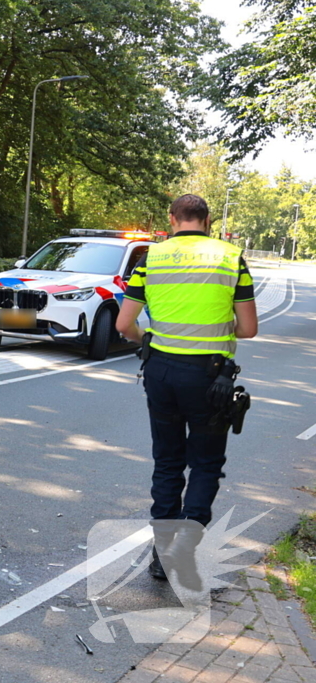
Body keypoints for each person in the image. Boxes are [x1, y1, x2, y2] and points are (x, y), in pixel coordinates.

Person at [115, 194, 258, 591]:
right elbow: (247, 329)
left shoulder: (151, 259)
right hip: (209, 378)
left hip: (159, 371)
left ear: (172, 219)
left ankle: (161, 555)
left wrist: (152, 340)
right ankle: (187, 545)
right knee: (206, 464)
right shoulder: (231, 257)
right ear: (208, 220)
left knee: (167, 462)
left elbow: (125, 325)